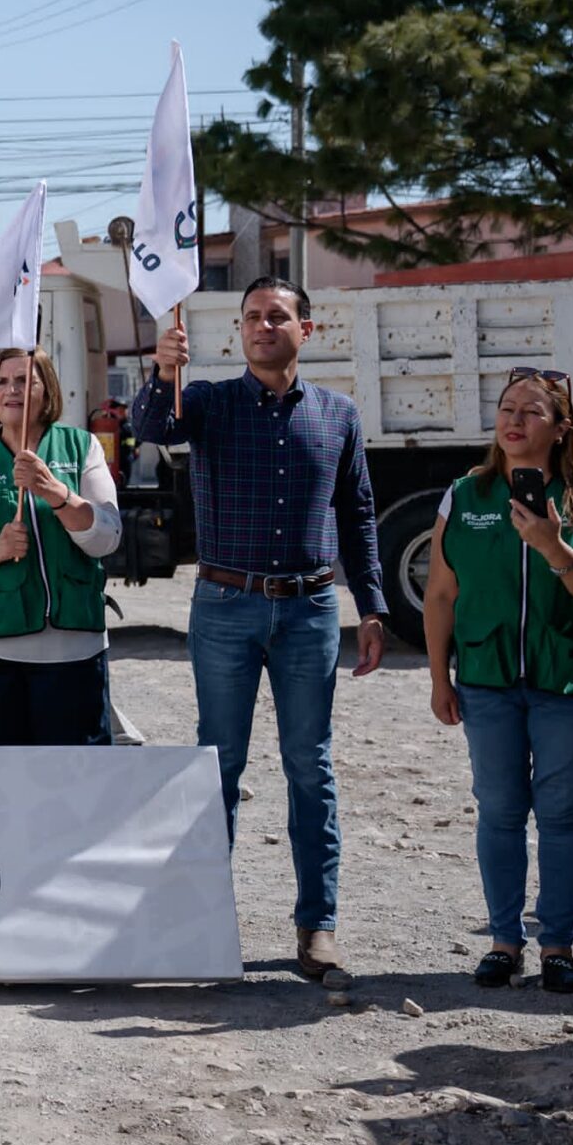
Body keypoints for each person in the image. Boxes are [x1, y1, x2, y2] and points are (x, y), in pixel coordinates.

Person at [133, 274, 389, 982]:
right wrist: (162, 373)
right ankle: (205, 927)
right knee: (218, 766)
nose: (263, 326)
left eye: (277, 316)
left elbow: (358, 515)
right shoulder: (206, 402)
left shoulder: (339, 415)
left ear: (307, 330)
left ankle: (318, 928)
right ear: (239, 330)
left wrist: (371, 607)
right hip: (224, 607)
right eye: (252, 316)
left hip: (310, 611)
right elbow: (150, 428)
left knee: (311, 766)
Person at [424, 367, 573, 994]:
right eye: (507, 408)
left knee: (562, 812)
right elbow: (440, 595)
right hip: (486, 678)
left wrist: (552, 546)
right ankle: (504, 943)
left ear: (561, 428)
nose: (514, 420)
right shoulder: (465, 495)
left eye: (531, 411)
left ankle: (557, 946)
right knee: (501, 810)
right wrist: (439, 678)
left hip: (568, 678)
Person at [0, 347, 122, 745]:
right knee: (5, 778)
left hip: (76, 655)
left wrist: (55, 493)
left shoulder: (82, 447)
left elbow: (107, 538)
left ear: (46, 391)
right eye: (1, 382)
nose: (11, 390)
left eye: (24, 380)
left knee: (77, 776)